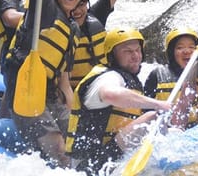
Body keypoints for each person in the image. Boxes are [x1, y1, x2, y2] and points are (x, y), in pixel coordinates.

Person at [0, 0, 84, 167]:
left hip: (49, 92)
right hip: (25, 87)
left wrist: (73, 111)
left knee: (78, 143)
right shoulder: (45, 9)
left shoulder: (73, 29)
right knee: (58, 148)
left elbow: (64, 80)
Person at [65, 27, 171, 175]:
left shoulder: (128, 79)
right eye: (127, 51)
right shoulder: (109, 76)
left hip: (108, 156)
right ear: (112, 56)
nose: (135, 56)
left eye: (137, 50)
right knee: (153, 117)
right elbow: (110, 94)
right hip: (91, 163)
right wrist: (157, 104)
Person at [143, 27, 198, 101]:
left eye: (191, 47)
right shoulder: (157, 74)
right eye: (180, 47)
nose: (187, 51)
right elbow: (145, 105)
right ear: (171, 52)